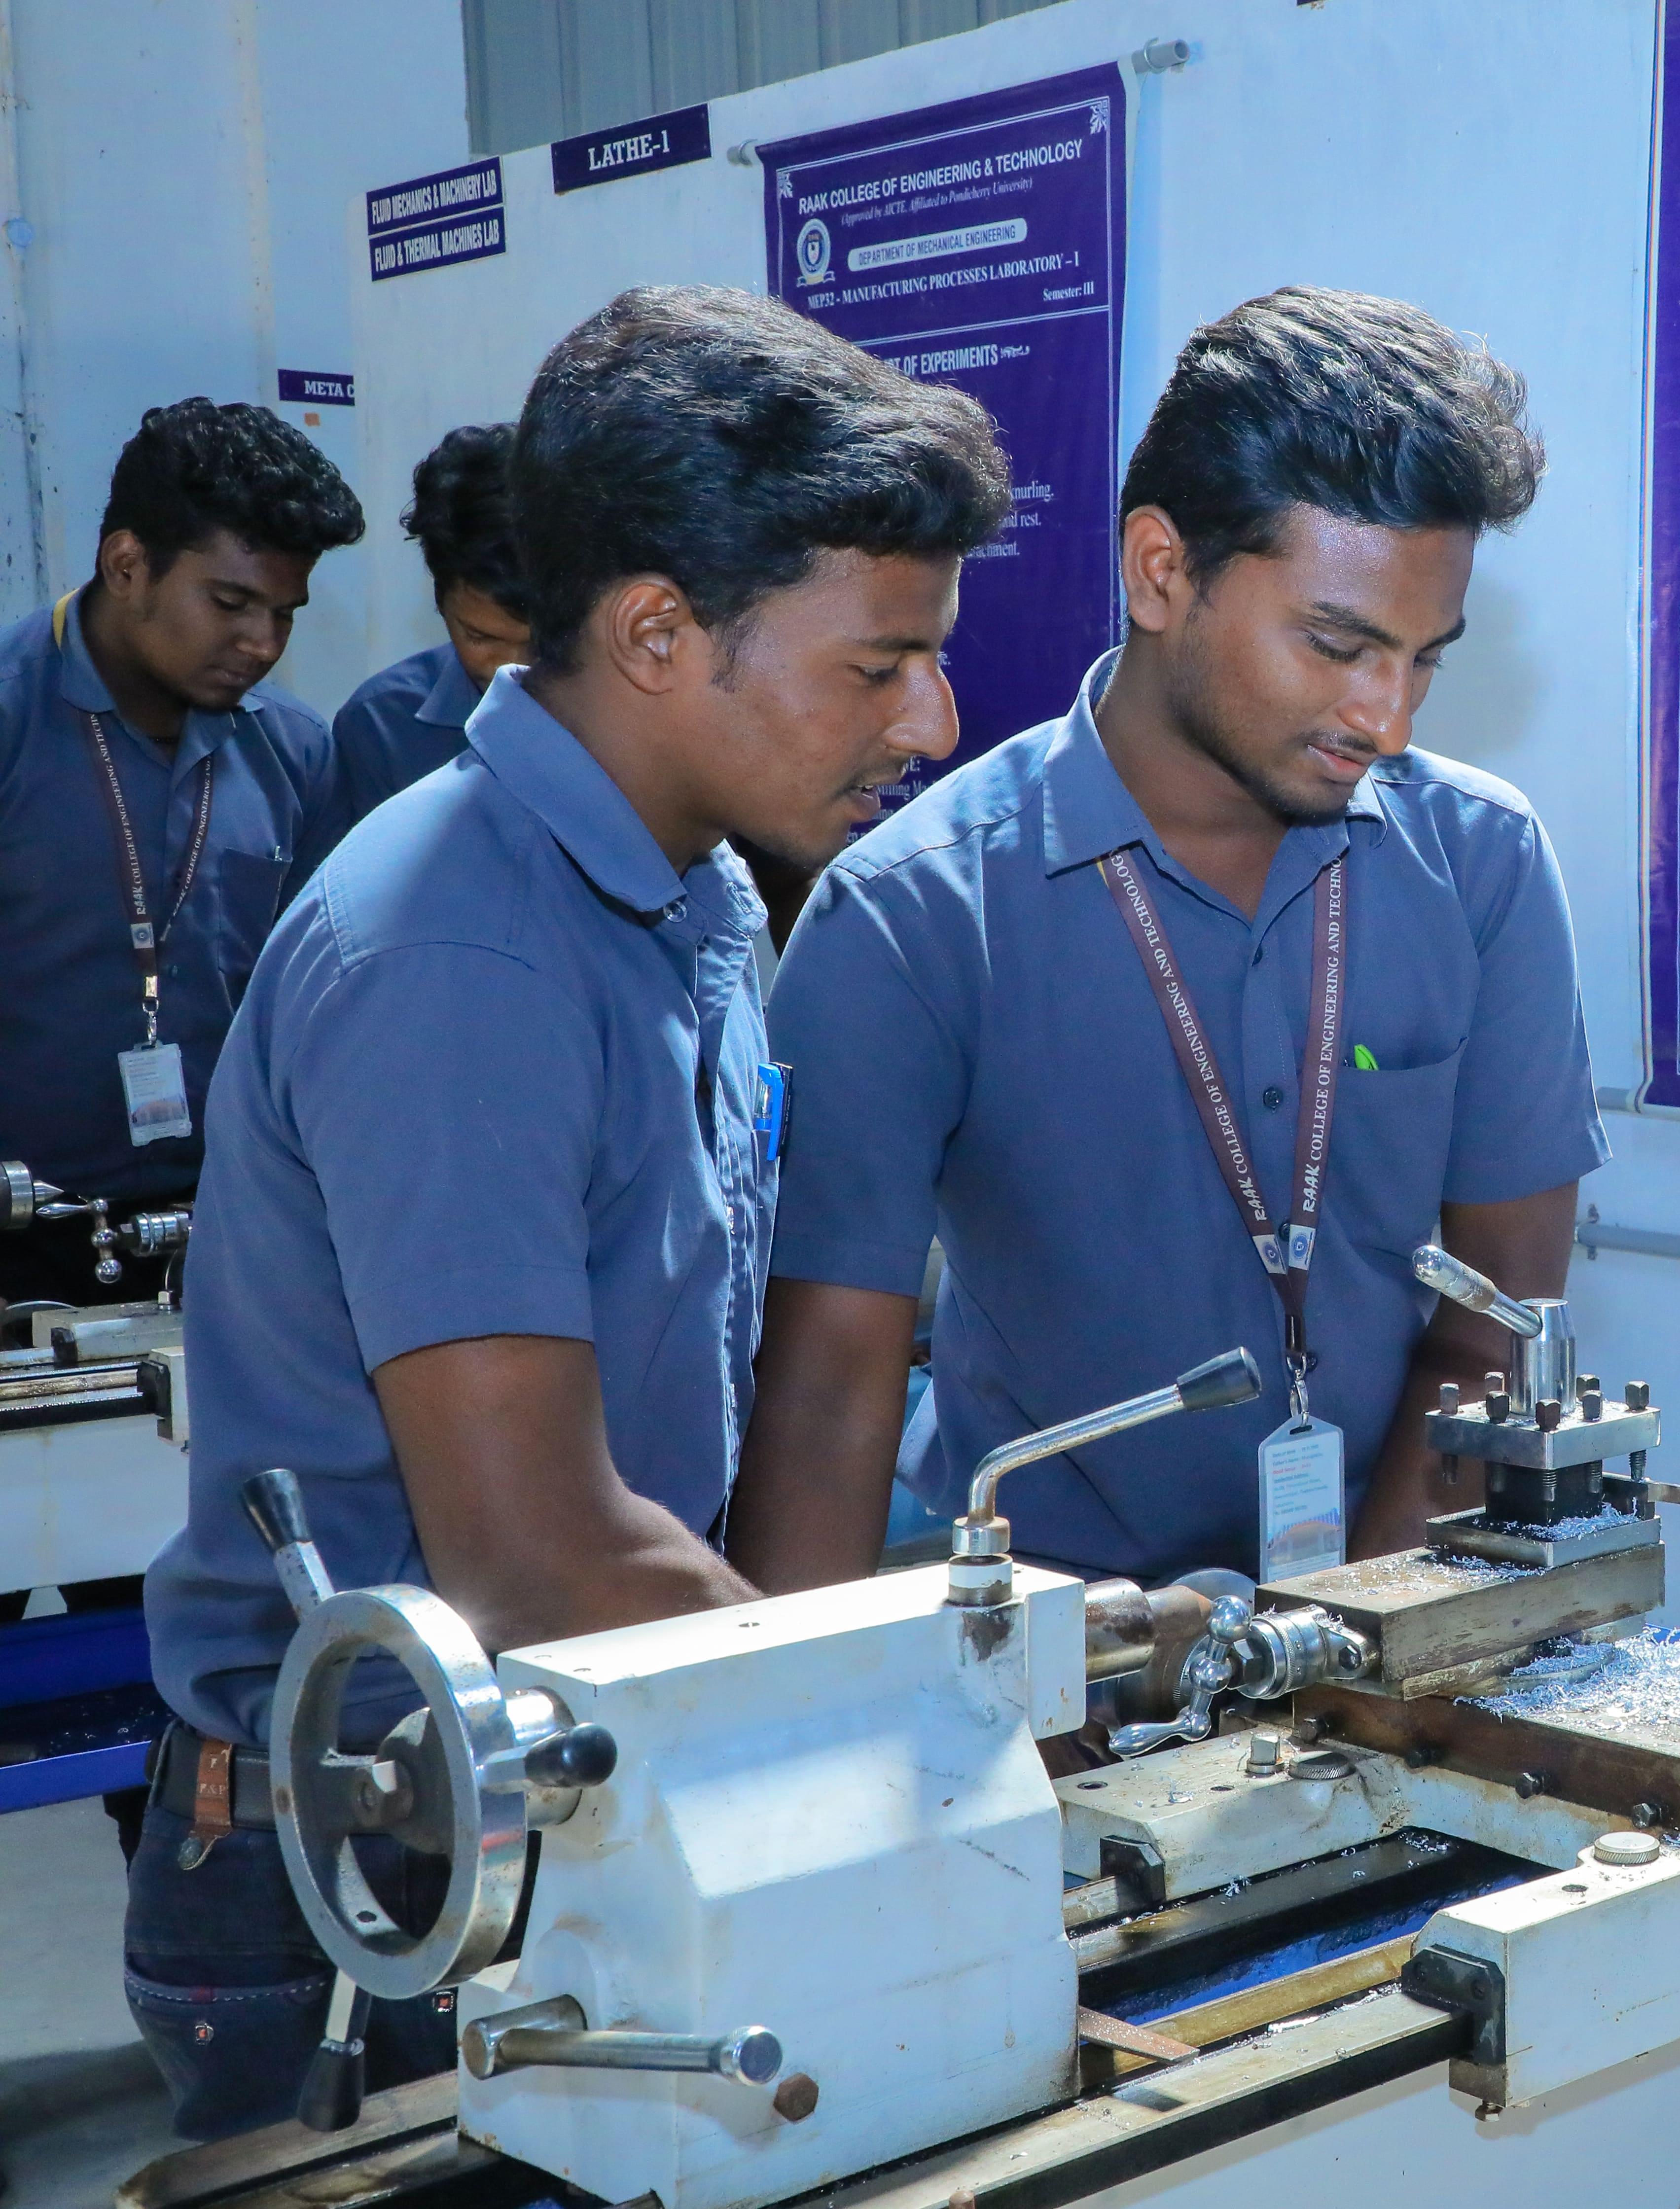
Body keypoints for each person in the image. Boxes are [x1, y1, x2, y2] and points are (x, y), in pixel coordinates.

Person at [127, 285, 1009, 2138]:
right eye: (876, 664)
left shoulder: (689, 900)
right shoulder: (458, 948)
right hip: (373, 1863)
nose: (933, 716)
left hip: (573, 1764)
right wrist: (885, 1735)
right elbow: (532, 1540)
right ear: (659, 631)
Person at [739, 287, 1607, 1638]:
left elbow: (1496, 1330)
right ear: (1161, 572)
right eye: (1338, 644)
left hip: (1392, 1603)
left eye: (1423, 660)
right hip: (1043, 1661)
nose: (1385, 714)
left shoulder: (1483, 867)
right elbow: (826, 1401)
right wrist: (814, 1744)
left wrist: (1349, 1643)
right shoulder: (911, 918)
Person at [0, 399, 361, 1316]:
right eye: (232, 604)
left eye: (286, 614)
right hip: (17, 1242)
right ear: (128, 565)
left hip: (230, 1232)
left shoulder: (296, 752)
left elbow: (316, 1013)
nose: (263, 645)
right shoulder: (12, 717)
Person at [322, 422, 528, 834]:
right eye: (481, 637)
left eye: (543, 641)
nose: (515, 667)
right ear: (439, 602)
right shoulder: (383, 727)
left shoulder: (638, 709)